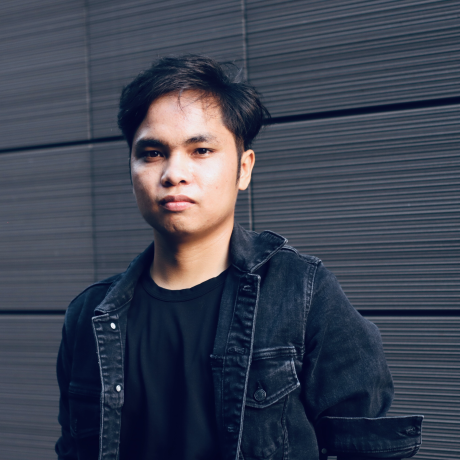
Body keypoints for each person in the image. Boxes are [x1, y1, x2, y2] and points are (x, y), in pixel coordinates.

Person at [55, 55, 422, 460]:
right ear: (131, 168)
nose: (174, 173)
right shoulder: (89, 315)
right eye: (153, 153)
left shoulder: (303, 294)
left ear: (243, 169)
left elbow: (369, 447)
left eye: (201, 150)